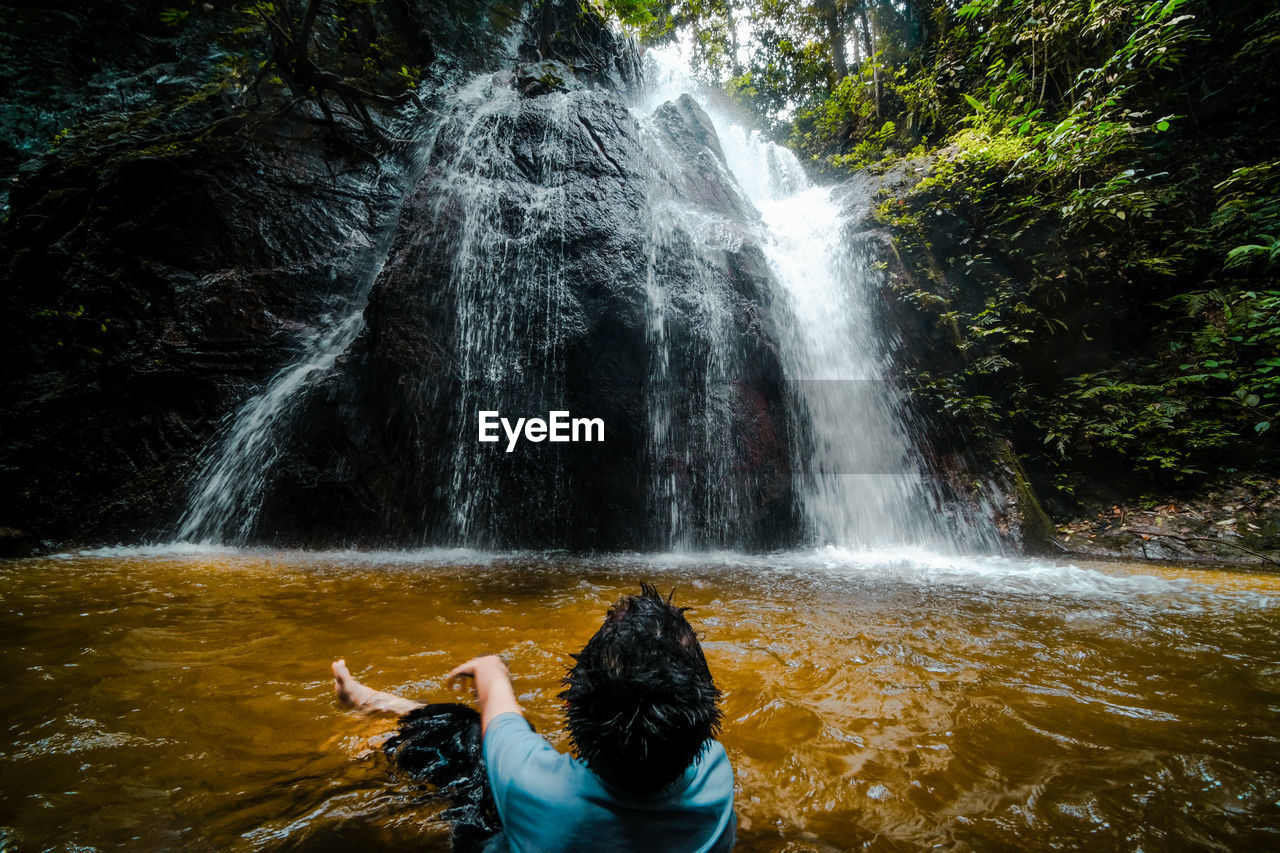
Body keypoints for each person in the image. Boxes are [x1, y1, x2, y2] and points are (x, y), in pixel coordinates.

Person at [333, 583, 736, 852]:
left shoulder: (534, 787)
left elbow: (496, 693)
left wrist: (490, 664)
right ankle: (376, 704)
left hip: (500, 833)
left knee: (465, 732)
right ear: (706, 711)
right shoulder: (716, 775)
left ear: (569, 707)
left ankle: (368, 707)